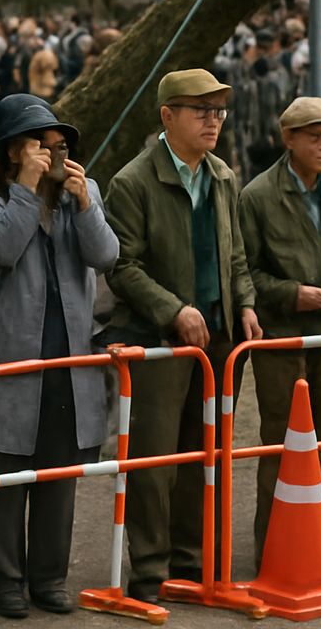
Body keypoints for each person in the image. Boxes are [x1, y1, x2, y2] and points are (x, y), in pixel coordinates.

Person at [0, 94, 118, 619]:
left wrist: (84, 205)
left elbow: (106, 255)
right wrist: (25, 188)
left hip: (68, 363)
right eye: (41, 145)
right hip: (5, 361)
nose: (54, 155)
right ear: (11, 150)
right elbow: (1, 248)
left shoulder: (81, 193)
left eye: (61, 145)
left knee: (58, 477)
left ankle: (49, 577)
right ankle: (3, 581)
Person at [101, 69, 262, 603]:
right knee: (154, 460)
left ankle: (192, 562)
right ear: (167, 116)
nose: (213, 121)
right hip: (158, 340)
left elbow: (236, 255)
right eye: (201, 110)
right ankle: (149, 570)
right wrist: (173, 311)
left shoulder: (223, 176)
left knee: (205, 452)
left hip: (218, 339)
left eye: (219, 111)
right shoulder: (132, 181)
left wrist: (245, 303)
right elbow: (122, 266)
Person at [237, 97, 321, 561]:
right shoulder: (256, 196)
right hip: (282, 335)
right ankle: (272, 549)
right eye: (316, 136)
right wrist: (291, 294)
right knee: (280, 441)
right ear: (288, 139)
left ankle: (307, 541)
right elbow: (243, 270)